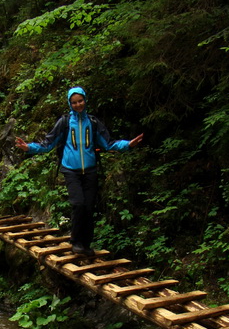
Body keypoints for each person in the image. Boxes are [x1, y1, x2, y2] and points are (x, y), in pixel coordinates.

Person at [15, 86, 143, 256]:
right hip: (71, 170)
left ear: (85, 100)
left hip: (90, 170)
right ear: (70, 104)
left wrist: (128, 144)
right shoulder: (65, 122)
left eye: (80, 101)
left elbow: (108, 144)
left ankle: (86, 245)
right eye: (74, 102)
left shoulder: (94, 122)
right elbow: (48, 145)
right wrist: (28, 147)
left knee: (89, 207)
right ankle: (76, 242)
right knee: (78, 204)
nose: (78, 105)